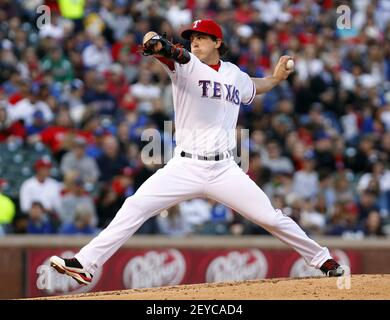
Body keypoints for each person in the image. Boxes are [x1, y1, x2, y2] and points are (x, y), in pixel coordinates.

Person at [50, 19, 344, 285]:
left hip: (225, 169)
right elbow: (159, 44)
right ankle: (85, 264)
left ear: (218, 42)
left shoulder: (234, 75)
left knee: (270, 217)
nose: (195, 42)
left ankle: (322, 259)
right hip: (185, 167)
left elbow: (254, 85)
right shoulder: (185, 65)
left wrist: (276, 79)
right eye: (192, 38)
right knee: (134, 206)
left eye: (202, 37)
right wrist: (157, 43)